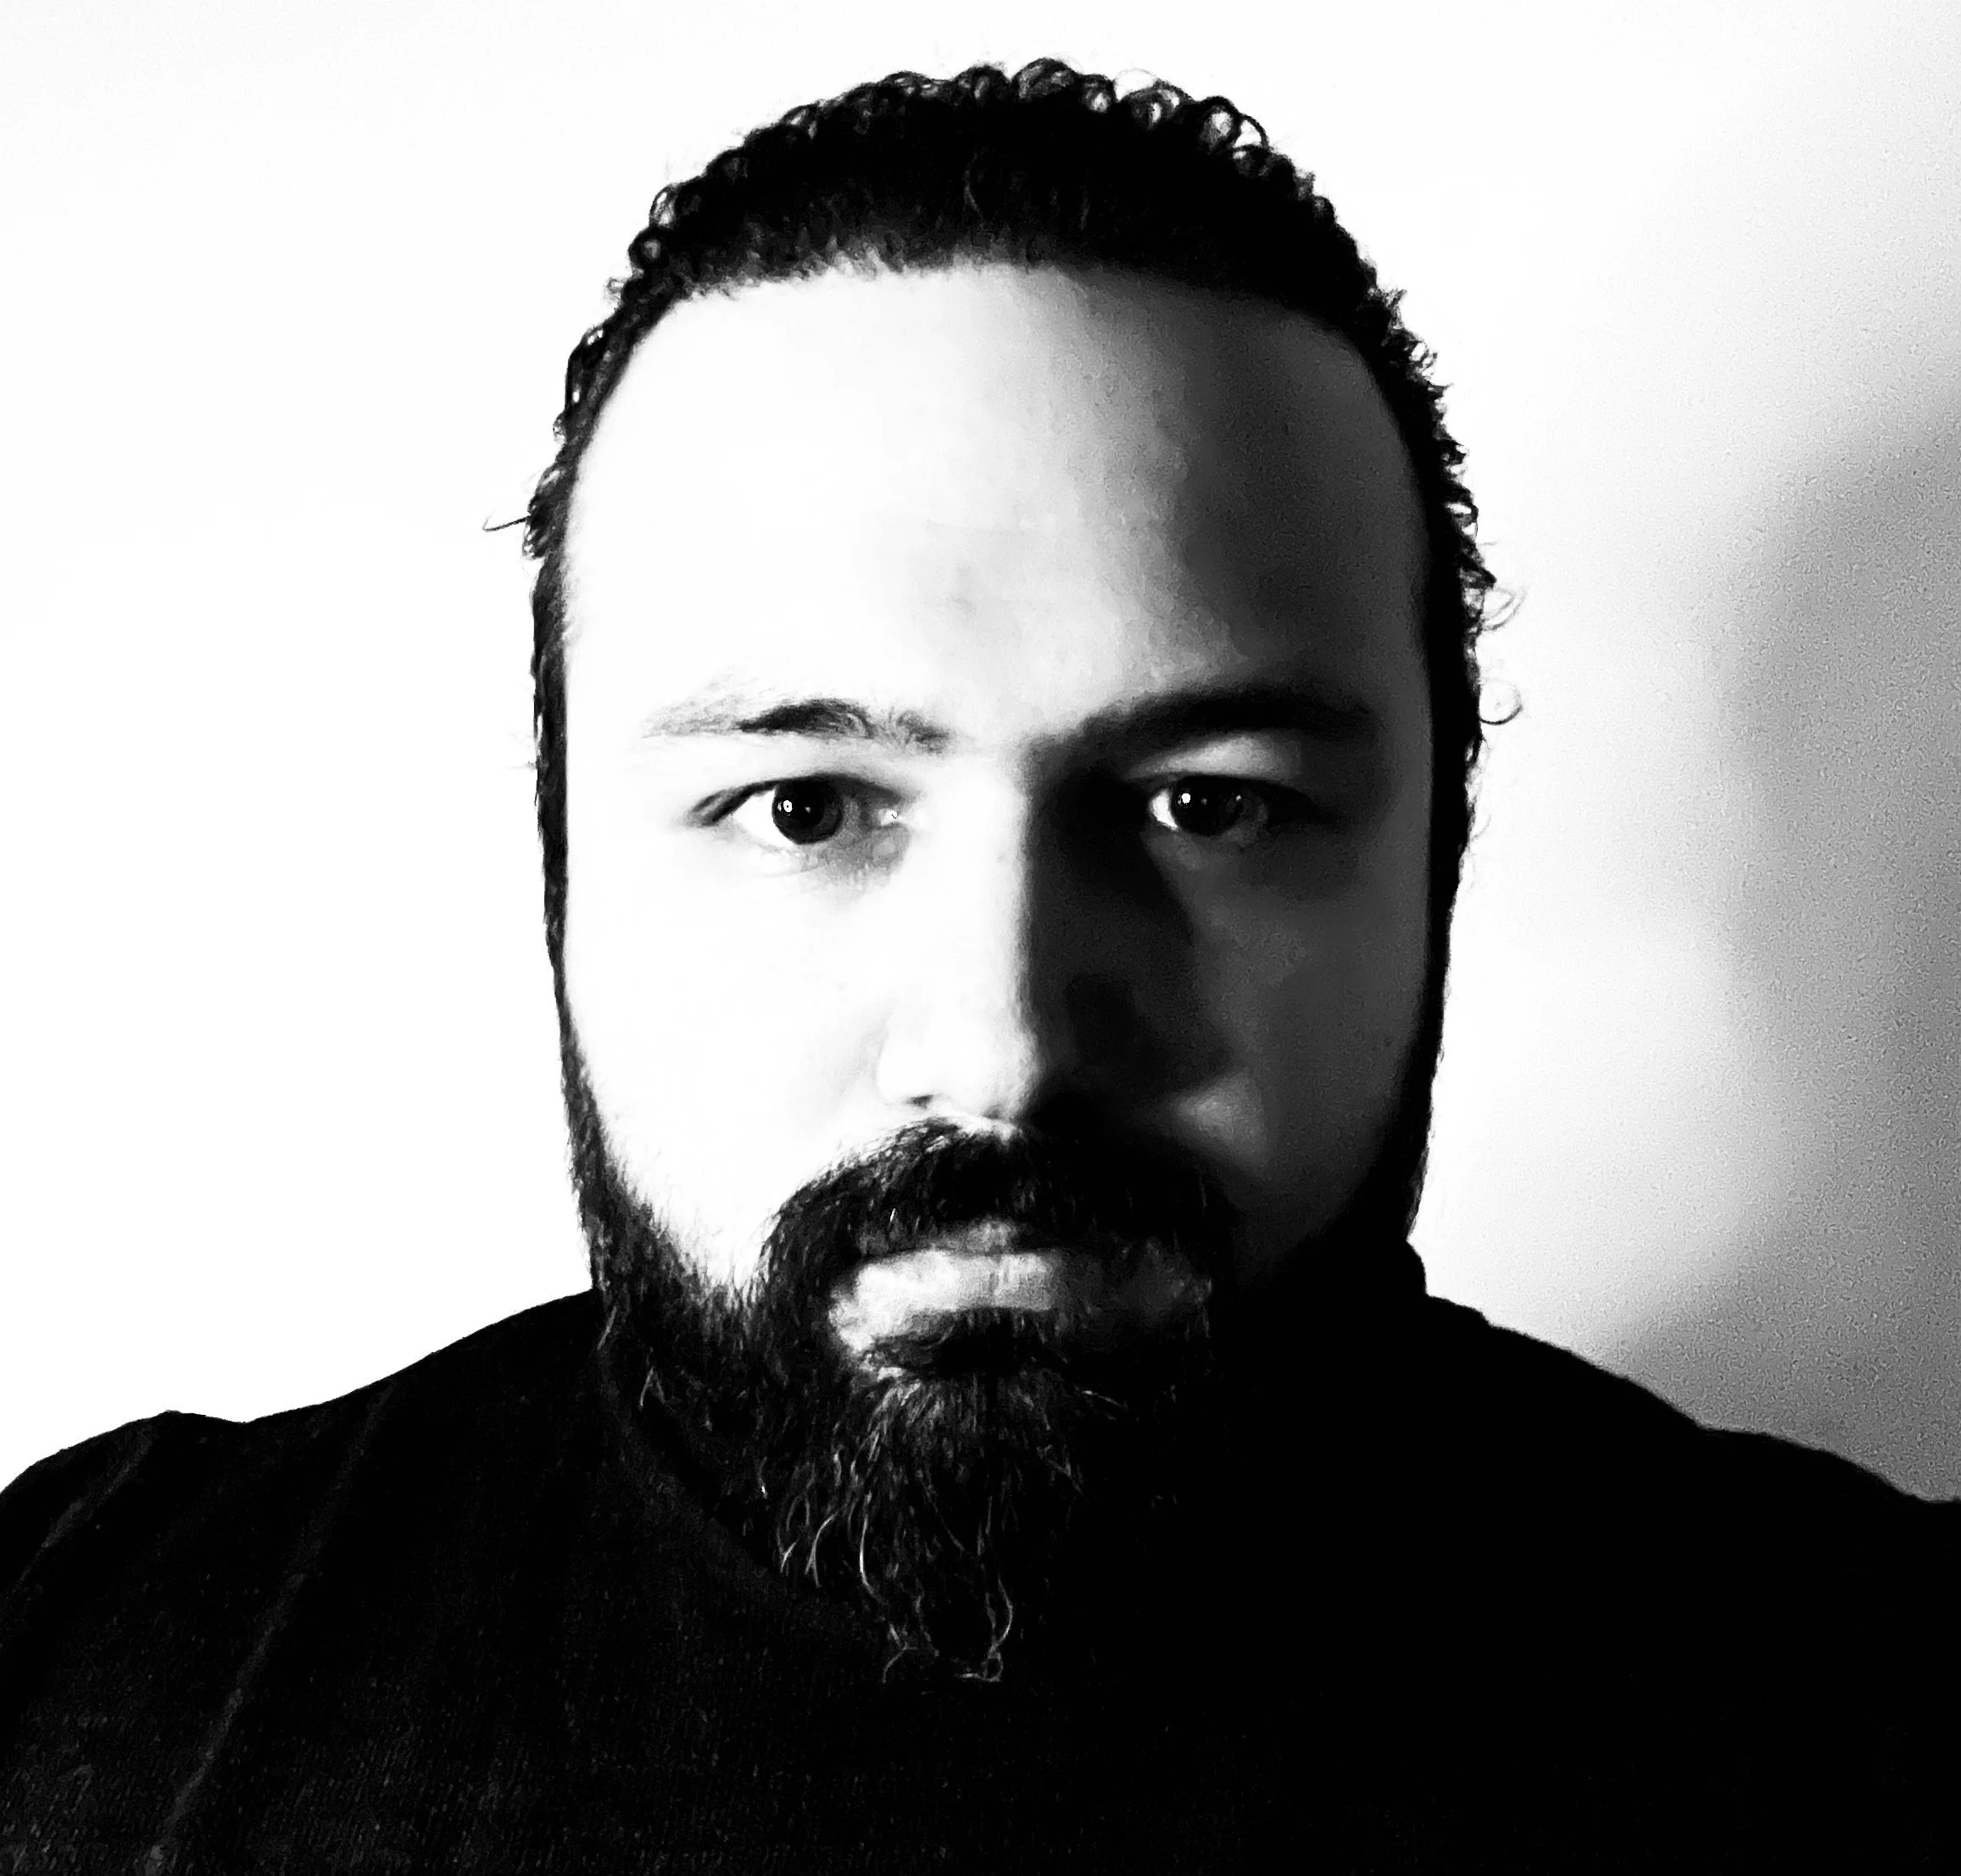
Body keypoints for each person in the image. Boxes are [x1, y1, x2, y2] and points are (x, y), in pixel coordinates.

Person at [1, 57, 1953, 1872]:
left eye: (1210, 806)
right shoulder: (80, 1668)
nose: (1003, 1047)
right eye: (807, 807)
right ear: (561, 856)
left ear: (1439, 850)